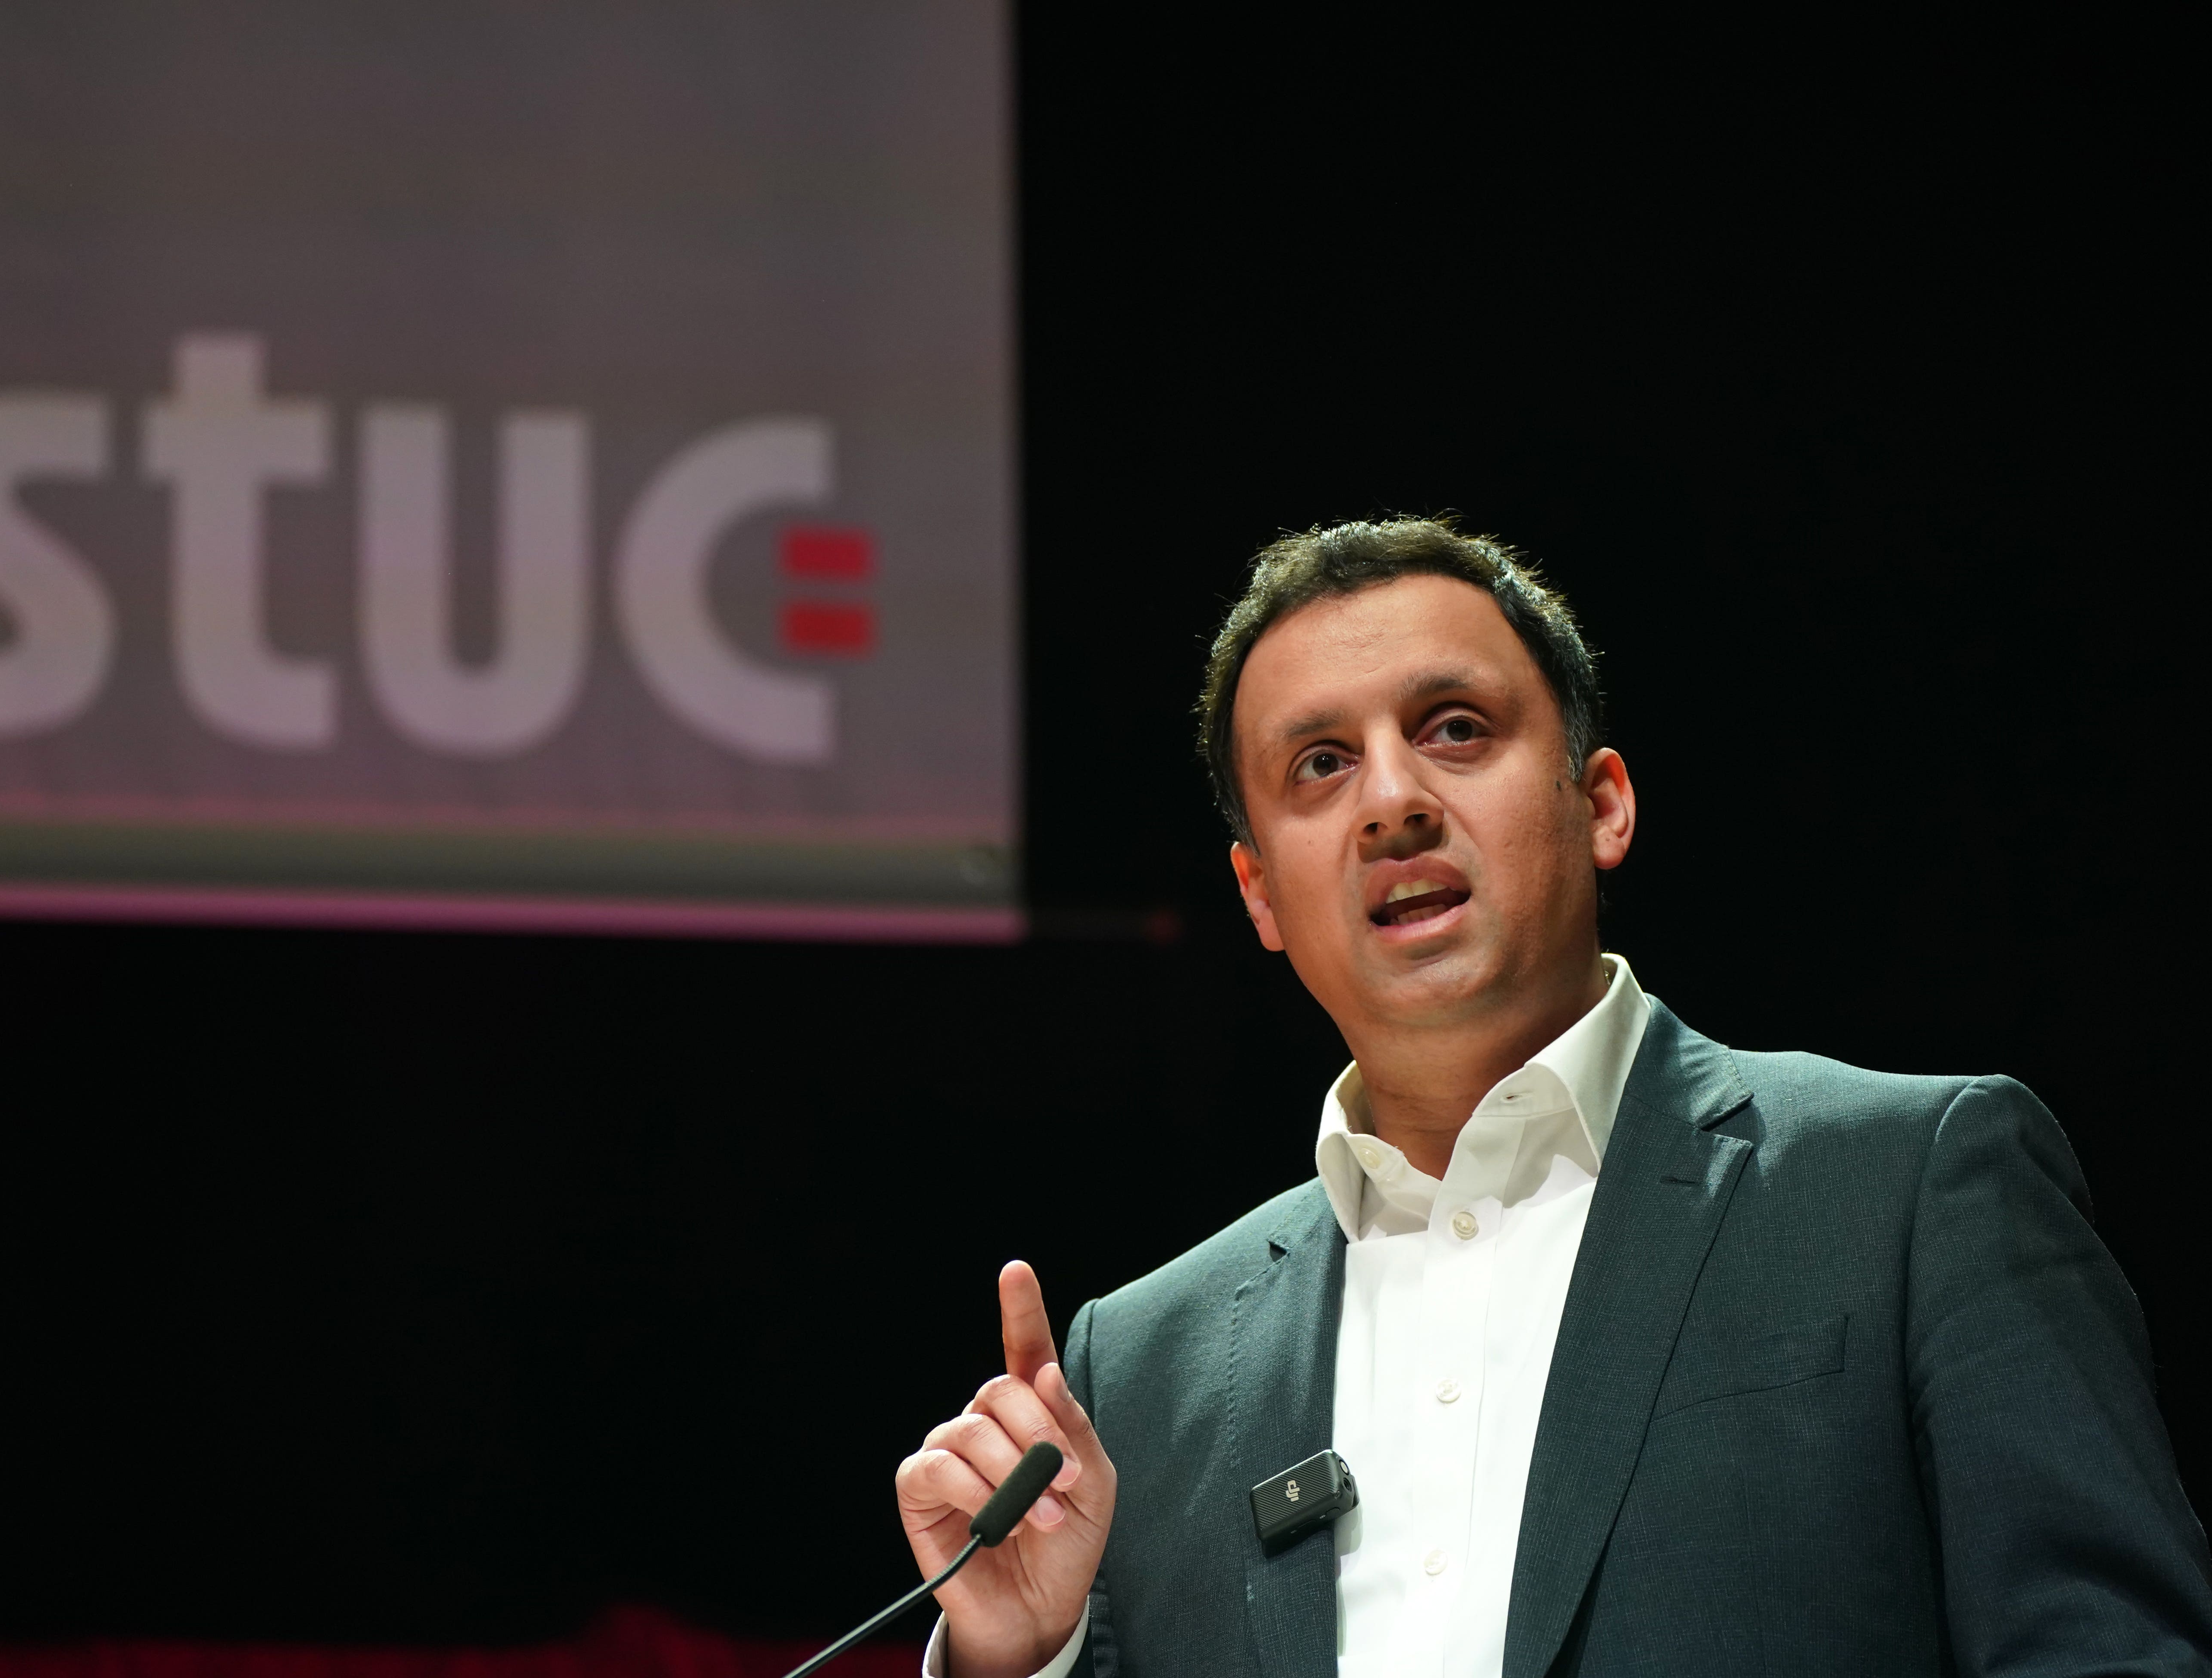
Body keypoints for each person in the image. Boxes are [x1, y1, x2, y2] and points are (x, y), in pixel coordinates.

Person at [893, 518, 2212, 1677]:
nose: (1392, 803)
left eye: (1453, 730)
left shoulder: (1914, 1185)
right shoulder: (1146, 1364)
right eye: (1319, 766)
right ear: (1258, 897)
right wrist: (1023, 1661)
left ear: (1602, 803)